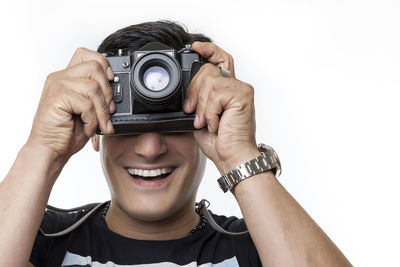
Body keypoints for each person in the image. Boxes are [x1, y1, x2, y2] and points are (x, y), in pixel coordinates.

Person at [0, 21, 352, 267]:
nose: (150, 149)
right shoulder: (37, 235)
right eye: (129, 125)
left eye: (175, 124)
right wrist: (43, 148)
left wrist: (238, 154)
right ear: (95, 128)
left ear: (207, 122)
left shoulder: (263, 245)